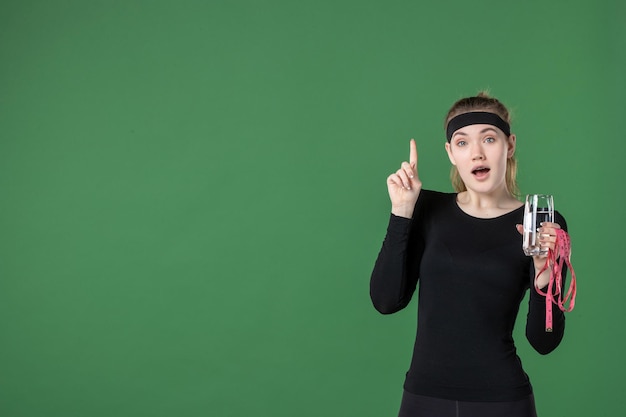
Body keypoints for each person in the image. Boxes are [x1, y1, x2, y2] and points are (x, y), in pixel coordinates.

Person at [370, 92, 568, 417]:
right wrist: (401, 212)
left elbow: (544, 342)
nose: (476, 153)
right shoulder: (426, 209)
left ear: (510, 145)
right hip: (424, 397)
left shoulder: (540, 223)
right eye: (462, 143)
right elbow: (386, 301)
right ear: (450, 153)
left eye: (489, 139)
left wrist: (544, 274)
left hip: (503, 401)